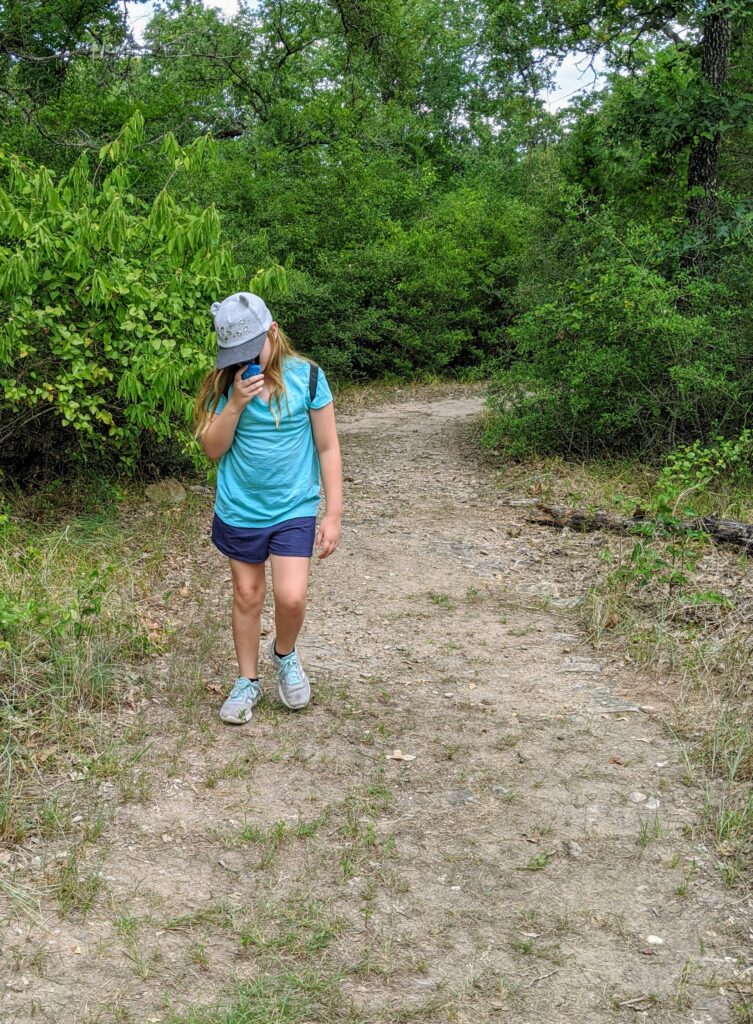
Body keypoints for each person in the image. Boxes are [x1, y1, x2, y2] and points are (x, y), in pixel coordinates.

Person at [193, 292, 342, 725]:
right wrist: (236, 402)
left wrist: (332, 514)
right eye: (234, 355)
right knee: (247, 594)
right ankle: (247, 680)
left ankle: (285, 654)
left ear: (272, 333)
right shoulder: (227, 384)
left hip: (293, 506)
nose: (243, 361)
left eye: (250, 350)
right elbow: (212, 449)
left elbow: (328, 447)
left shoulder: (308, 378)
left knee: (291, 596)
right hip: (240, 507)